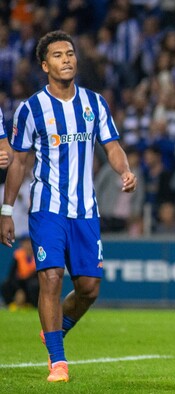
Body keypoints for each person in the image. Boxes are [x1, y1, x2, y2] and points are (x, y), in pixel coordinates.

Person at [0, 30, 137, 383]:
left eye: (71, 53)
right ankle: (58, 362)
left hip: (86, 210)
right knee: (51, 278)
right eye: (58, 55)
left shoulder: (94, 103)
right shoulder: (31, 109)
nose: (67, 59)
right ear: (45, 65)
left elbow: (111, 146)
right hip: (47, 208)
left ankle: (52, 331)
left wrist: (124, 170)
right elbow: (17, 163)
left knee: (89, 287)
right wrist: (6, 211)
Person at [1, 237, 38, 310]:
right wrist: (19, 289)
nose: (28, 245)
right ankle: (11, 304)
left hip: (33, 283)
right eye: (25, 243)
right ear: (21, 244)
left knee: (34, 285)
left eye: (29, 243)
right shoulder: (18, 255)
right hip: (20, 283)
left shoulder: (38, 255)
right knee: (6, 284)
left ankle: (33, 305)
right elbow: (11, 275)